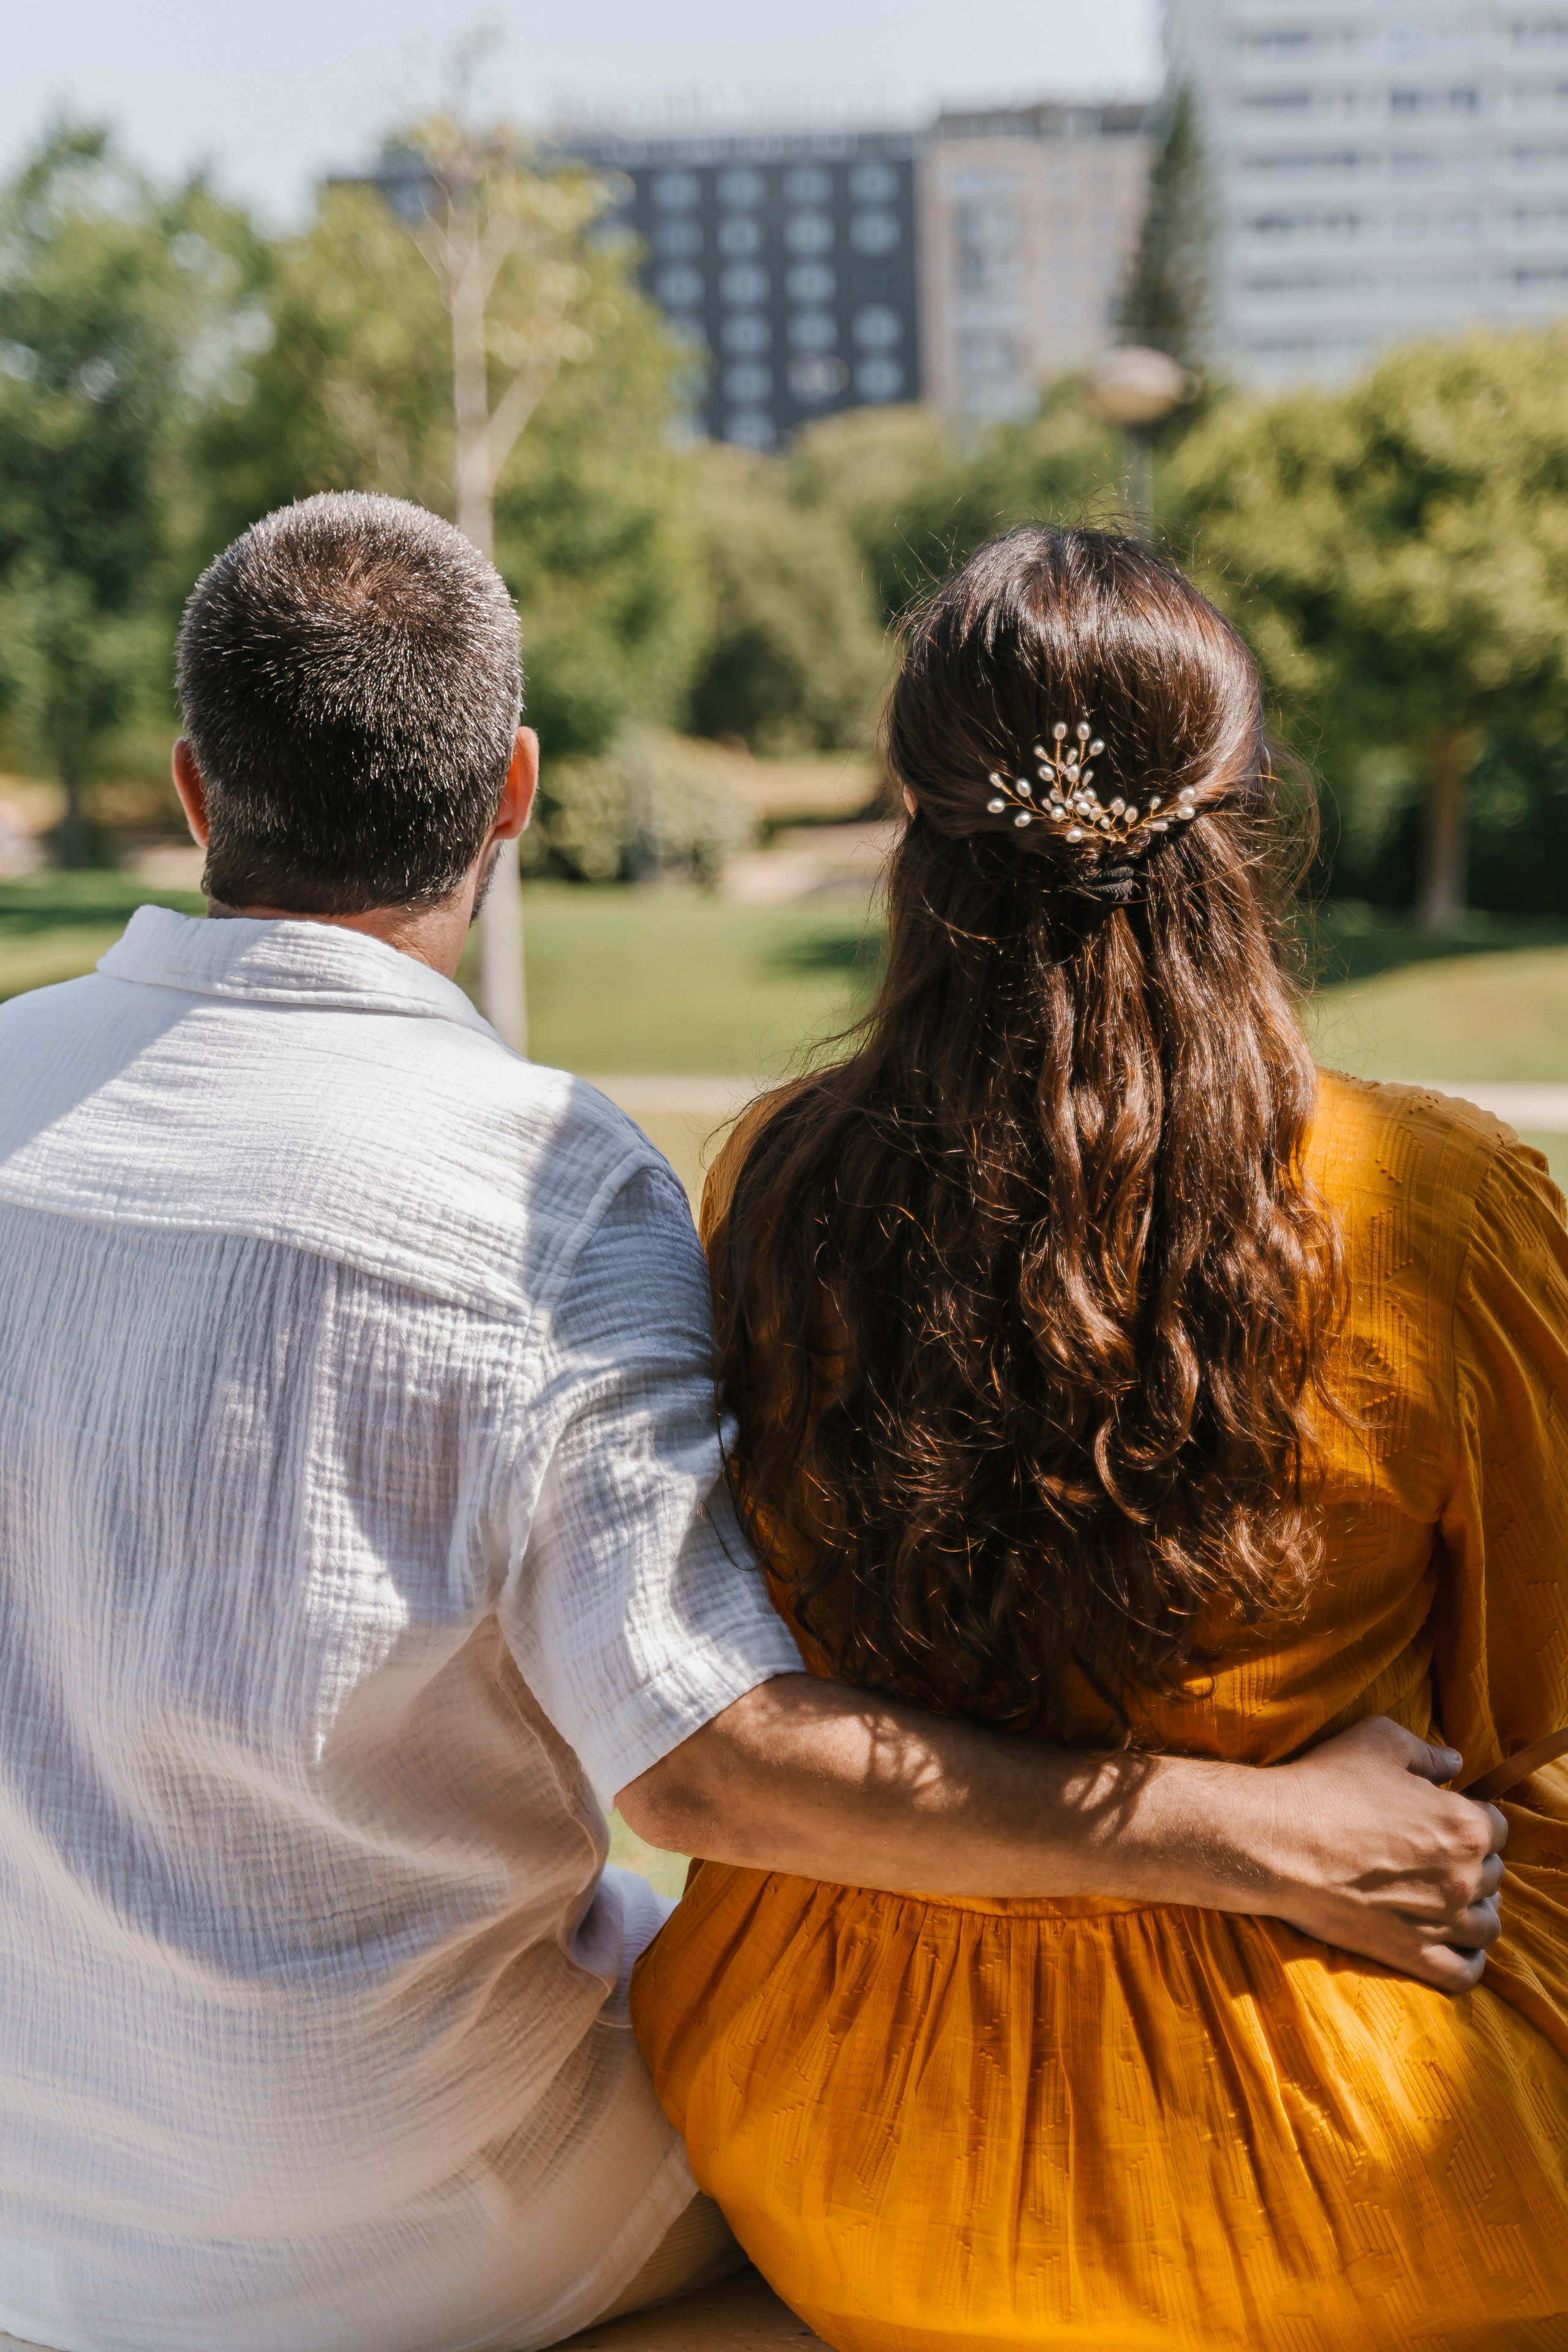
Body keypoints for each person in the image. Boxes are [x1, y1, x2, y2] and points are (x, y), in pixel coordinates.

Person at [0, 496, 1501, 2352]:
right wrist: (1240, 1831)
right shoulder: (538, 1193)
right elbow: (698, 1766)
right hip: (413, 2225)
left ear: (194, 787)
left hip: (32, 2210)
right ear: (516, 794)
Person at [631, 526, 1568, 2352]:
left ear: (916, 824)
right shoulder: (1438, 1207)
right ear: (1248, 815)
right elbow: (1525, 1708)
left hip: (853, 2147)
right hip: (1357, 2157)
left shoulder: (777, 1183)